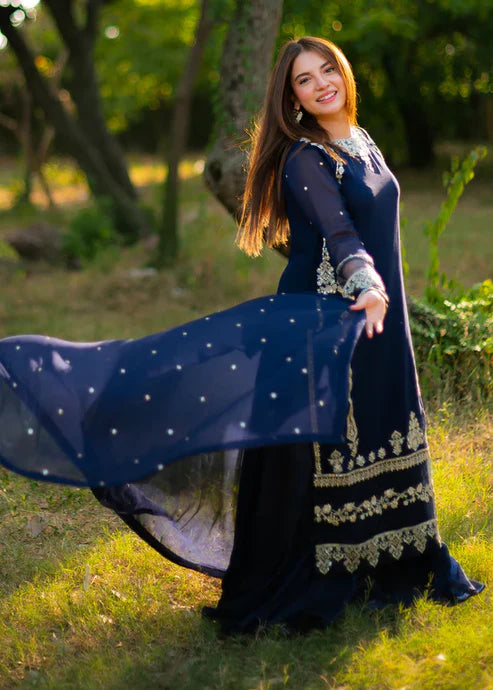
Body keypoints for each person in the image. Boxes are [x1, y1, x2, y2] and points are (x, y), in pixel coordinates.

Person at [0, 37, 483, 634]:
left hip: (378, 317)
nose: (322, 84)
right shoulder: (306, 158)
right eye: (305, 79)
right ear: (292, 98)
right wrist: (367, 283)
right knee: (319, 451)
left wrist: (380, 294)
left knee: (384, 424)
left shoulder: (359, 139)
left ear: (344, 74)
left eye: (327, 70)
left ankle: (398, 558)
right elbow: (340, 234)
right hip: (328, 322)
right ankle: (63, 389)